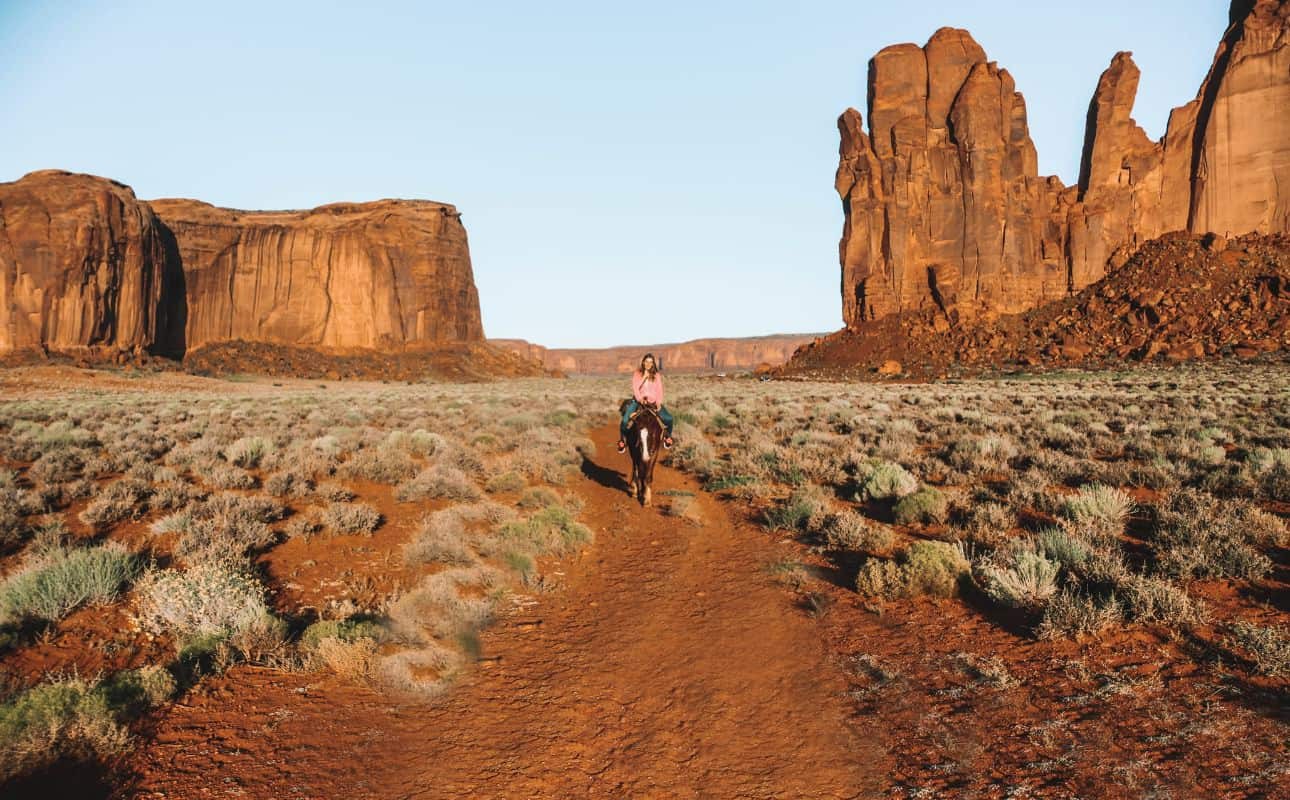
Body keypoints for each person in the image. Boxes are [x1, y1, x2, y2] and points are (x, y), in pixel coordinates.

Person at [618, 353, 674, 454]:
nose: (648, 364)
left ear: (653, 364)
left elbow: (659, 390)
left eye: (651, 362)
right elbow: (636, 388)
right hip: (638, 402)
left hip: (653, 402)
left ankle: (667, 437)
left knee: (669, 419)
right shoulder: (637, 374)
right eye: (647, 361)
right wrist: (644, 378)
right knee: (625, 420)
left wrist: (658, 402)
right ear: (643, 362)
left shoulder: (656, 375)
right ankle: (622, 440)